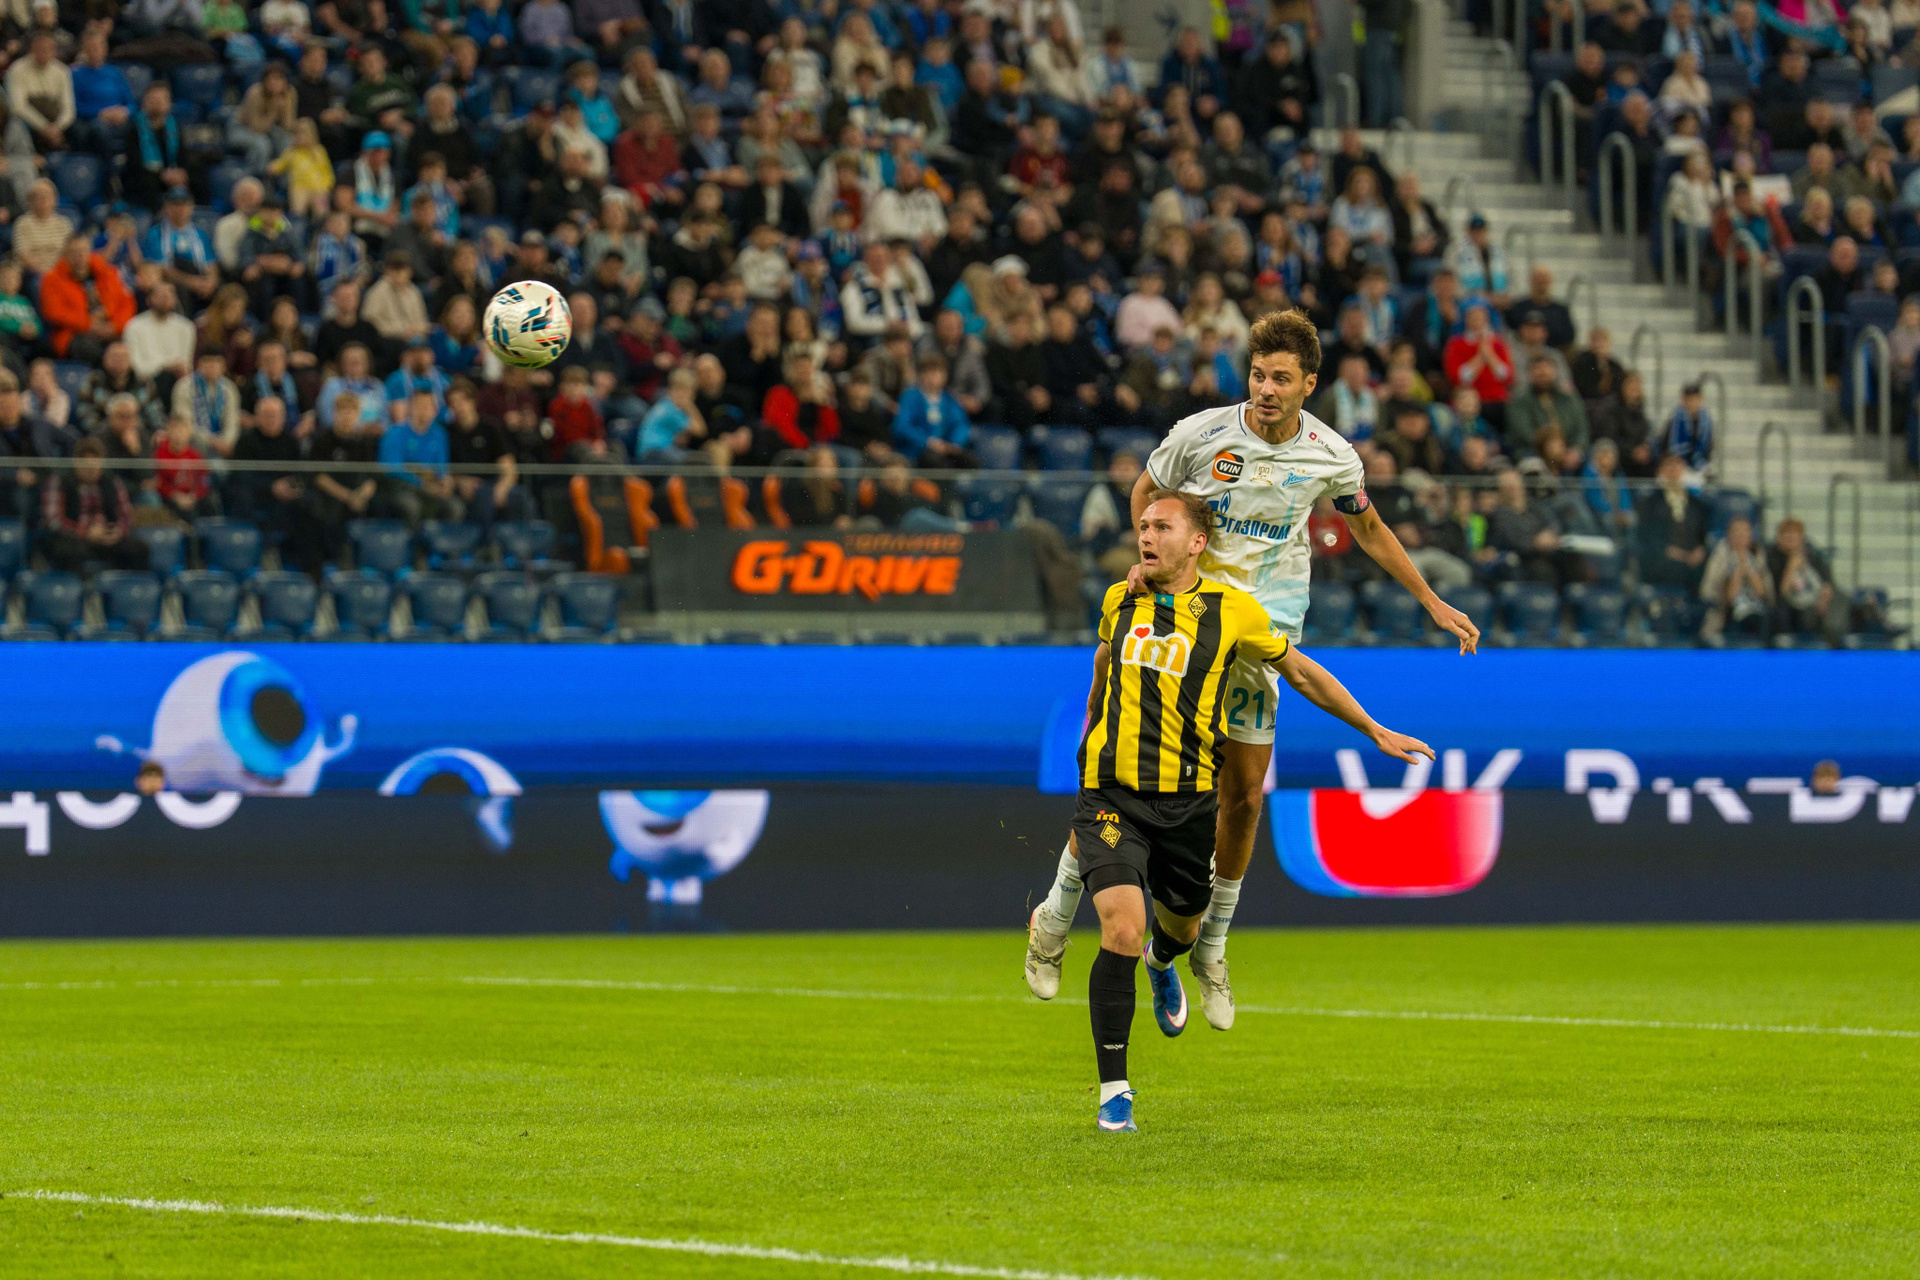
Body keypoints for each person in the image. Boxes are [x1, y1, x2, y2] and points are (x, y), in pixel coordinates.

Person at [1026, 310, 1478, 1031]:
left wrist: (1429, 600)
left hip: (1259, 629)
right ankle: (1054, 913)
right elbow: (1147, 494)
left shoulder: (1331, 454)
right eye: (1259, 375)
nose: (1266, 389)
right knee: (1123, 776)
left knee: (1242, 797)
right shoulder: (1200, 435)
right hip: (1185, 620)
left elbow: (1366, 526)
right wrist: (1149, 563)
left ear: (1309, 384)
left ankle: (1208, 947)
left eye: (1281, 379)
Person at [1034, 486, 1432, 1133]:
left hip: (1189, 801)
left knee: (1180, 930)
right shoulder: (1118, 599)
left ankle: (1166, 962)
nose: (1146, 535)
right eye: (1143, 526)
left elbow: (1301, 673)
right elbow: (1104, 662)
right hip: (1113, 796)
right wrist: (1092, 734)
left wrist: (1373, 729)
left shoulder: (1234, 612)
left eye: (1162, 527)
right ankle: (1114, 1092)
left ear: (1198, 542)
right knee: (1122, 930)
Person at [40, 439, 148, 573]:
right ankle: (79, 585)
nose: (92, 471)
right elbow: (53, 521)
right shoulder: (59, 480)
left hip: (107, 538)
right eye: (87, 467)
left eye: (96, 467)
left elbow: (126, 516)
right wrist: (86, 532)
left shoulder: (112, 481)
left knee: (138, 549)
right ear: (76, 463)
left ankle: (125, 584)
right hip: (75, 539)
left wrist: (118, 531)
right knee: (66, 550)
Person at [1699, 516, 1773, 644]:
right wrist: (1739, 569)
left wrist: (1748, 567)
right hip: (1727, 611)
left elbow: (1763, 593)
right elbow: (1727, 597)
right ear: (1729, 535)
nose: (1740, 537)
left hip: (1756, 609)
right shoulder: (1721, 554)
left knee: (1766, 620)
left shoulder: (1757, 554)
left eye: (1745, 533)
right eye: (1736, 532)